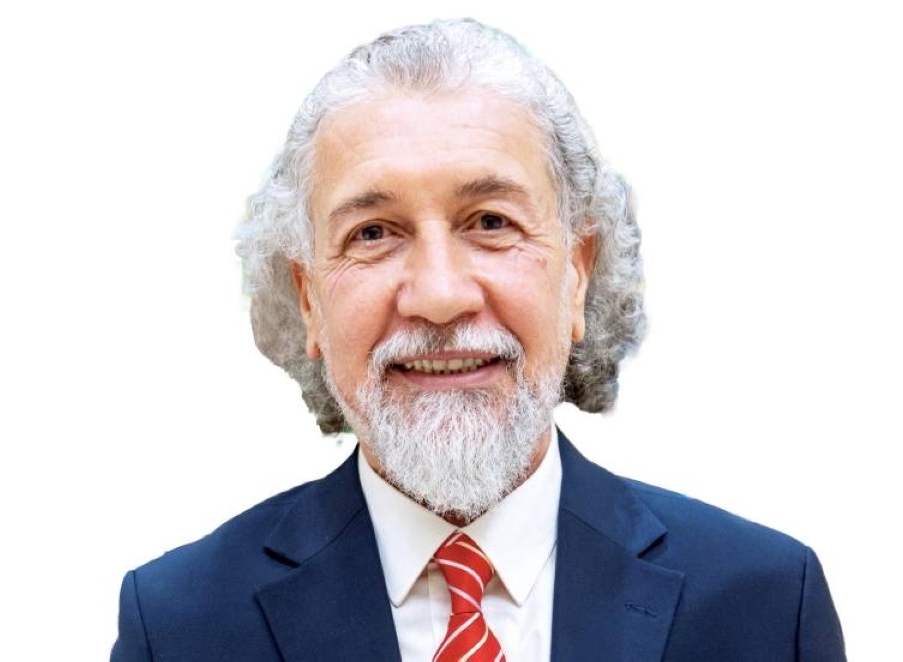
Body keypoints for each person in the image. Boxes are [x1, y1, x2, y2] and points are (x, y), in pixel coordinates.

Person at [112, 18, 846, 661]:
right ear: (308, 300)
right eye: (373, 232)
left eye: (491, 222)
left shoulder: (765, 604)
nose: (439, 295)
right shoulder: (179, 625)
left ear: (577, 275)